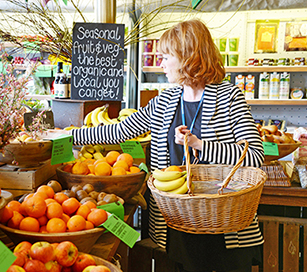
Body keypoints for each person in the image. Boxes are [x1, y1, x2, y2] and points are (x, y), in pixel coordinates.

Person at [52, 19, 264, 271]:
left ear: (188, 56)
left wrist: (200, 144)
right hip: (178, 219)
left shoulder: (229, 97)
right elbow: (122, 129)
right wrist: (70, 136)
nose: (161, 63)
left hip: (221, 222)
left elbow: (253, 155)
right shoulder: (166, 99)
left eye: (166, 56)